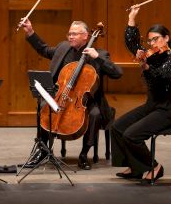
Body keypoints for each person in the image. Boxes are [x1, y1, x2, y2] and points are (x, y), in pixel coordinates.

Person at [20, 18, 123, 169]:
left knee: (94, 114)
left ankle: (84, 154)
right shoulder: (63, 48)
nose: (70, 37)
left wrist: (97, 58)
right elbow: (44, 49)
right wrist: (30, 32)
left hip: (87, 100)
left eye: (74, 34)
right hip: (62, 95)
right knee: (44, 105)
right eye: (69, 34)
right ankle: (42, 150)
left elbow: (118, 73)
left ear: (86, 36)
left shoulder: (99, 54)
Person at [111, 6, 171, 183]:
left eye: (156, 39)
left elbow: (163, 78)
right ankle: (136, 167)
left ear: (166, 38)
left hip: (166, 110)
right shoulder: (154, 56)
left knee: (131, 135)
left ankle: (154, 166)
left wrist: (146, 67)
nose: (152, 44)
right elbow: (133, 44)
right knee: (117, 127)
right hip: (151, 107)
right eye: (150, 41)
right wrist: (131, 19)